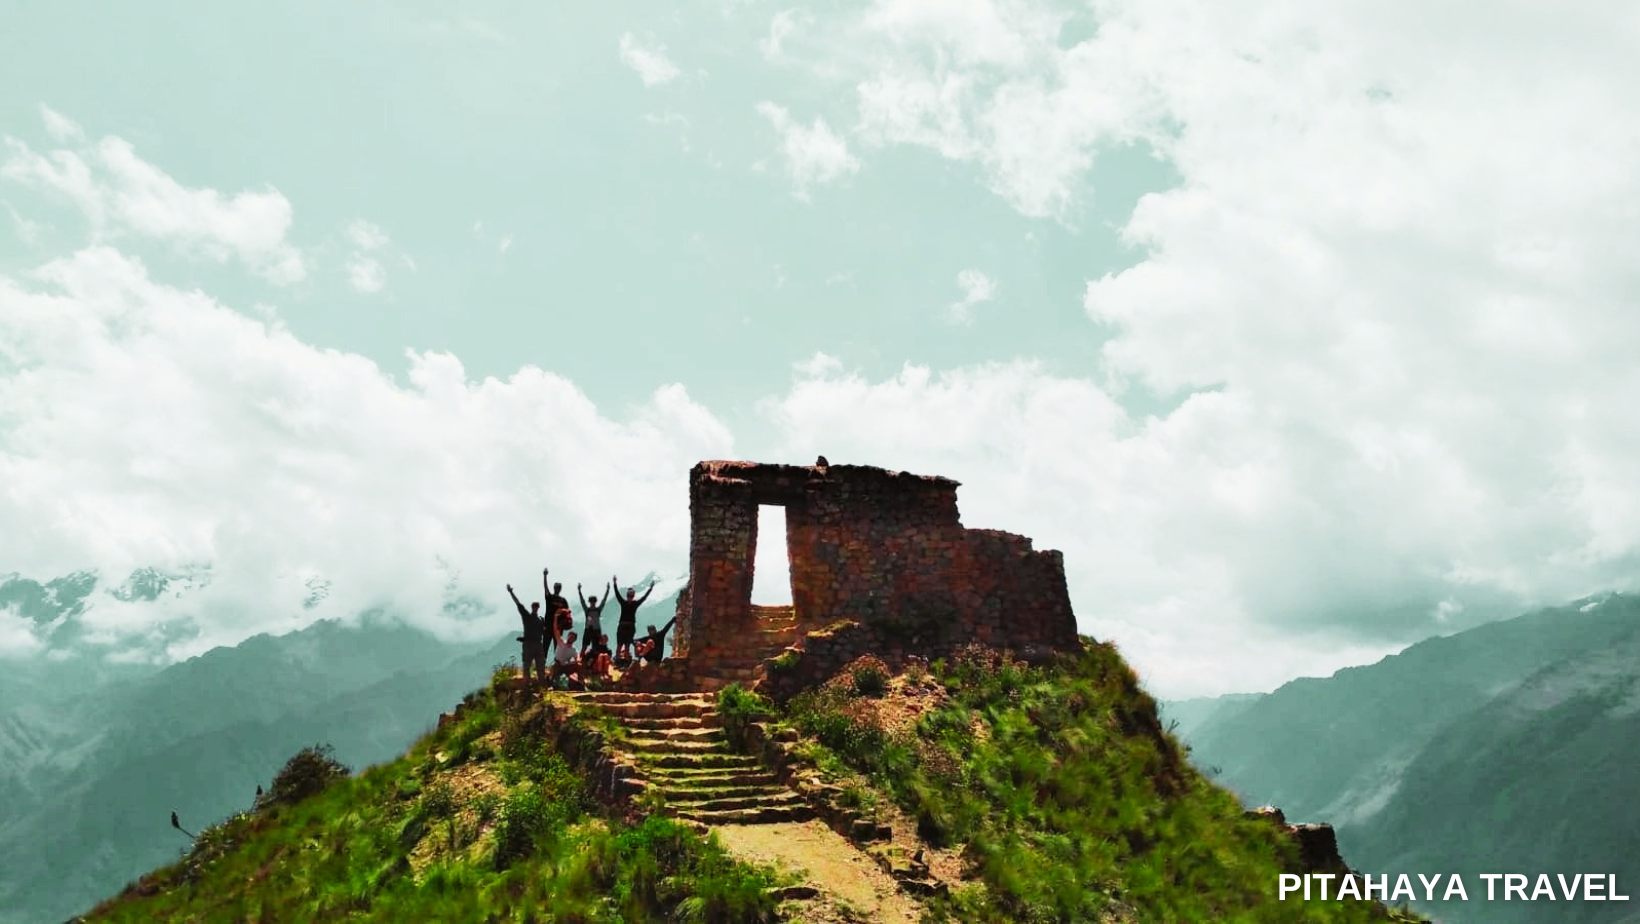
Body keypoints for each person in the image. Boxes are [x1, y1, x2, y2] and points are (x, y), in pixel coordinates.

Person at [506, 583, 546, 686]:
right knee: (527, 666)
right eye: (534, 606)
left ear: (538, 607)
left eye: (537, 606)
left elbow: (544, 631)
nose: (535, 608)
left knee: (540, 666)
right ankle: (526, 687)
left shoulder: (541, 620)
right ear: (532, 607)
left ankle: (542, 686)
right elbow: (518, 604)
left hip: (538, 644)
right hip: (528, 644)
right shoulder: (527, 616)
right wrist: (511, 592)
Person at [611, 574, 655, 663]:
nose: (630, 597)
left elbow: (644, 598)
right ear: (627, 596)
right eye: (629, 596)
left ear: (633, 596)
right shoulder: (624, 602)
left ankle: (625, 663)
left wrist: (650, 589)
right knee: (619, 646)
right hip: (624, 626)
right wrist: (615, 583)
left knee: (626, 646)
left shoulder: (633, 604)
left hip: (628, 627)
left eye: (631, 596)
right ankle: (618, 661)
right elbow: (617, 594)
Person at [577, 581, 610, 660]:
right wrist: (579, 591)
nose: (592, 603)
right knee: (584, 646)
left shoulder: (598, 610)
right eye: (591, 601)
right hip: (589, 629)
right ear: (590, 602)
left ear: (595, 602)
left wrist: (607, 590)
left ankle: (594, 662)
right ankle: (580, 661)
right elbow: (582, 602)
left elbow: (604, 601)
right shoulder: (587, 610)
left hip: (596, 630)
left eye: (593, 601)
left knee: (596, 647)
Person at [542, 569, 572, 654]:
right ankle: (541, 665)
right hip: (548, 625)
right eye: (556, 587)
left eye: (559, 588)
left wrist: (565, 622)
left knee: (558, 647)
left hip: (559, 627)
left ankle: (556, 664)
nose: (557, 589)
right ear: (554, 588)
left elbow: (567, 612)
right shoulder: (549, 597)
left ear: (560, 589)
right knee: (545, 646)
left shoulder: (563, 600)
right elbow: (545, 588)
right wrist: (545, 576)